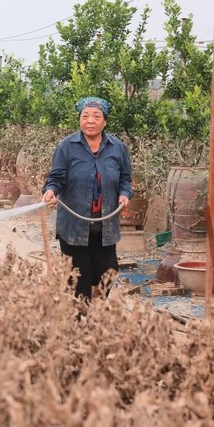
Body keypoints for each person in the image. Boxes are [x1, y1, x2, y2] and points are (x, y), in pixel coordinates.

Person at [42, 97, 133, 302]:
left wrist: (125, 194)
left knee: (108, 272)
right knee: (78, 280)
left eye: (96, 116)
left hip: (106, 227)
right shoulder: (66, 146)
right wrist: (50, 191)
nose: (90, 120)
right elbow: (55, 178)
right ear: (79, 120)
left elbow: (125, 179)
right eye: (85, 116)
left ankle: (95, 313)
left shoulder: (117, 148)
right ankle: (79, 322)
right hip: (74, 228)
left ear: (105, 122)